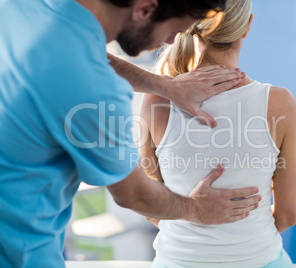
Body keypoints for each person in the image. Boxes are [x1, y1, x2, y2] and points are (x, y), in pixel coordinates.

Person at [0, 0, 263, 267]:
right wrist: (195, 208)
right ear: (145, 9)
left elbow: (70, 51)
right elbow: (134, 194)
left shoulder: (24, 6)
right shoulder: (96, 90)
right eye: (175, 30)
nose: (173, 41)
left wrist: (163, 86)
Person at [139, 0, 296, 267]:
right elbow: (286, 216)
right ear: (247, 26)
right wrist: (239, 242)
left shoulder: (155, 102)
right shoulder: (279, 103)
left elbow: (146, 203)